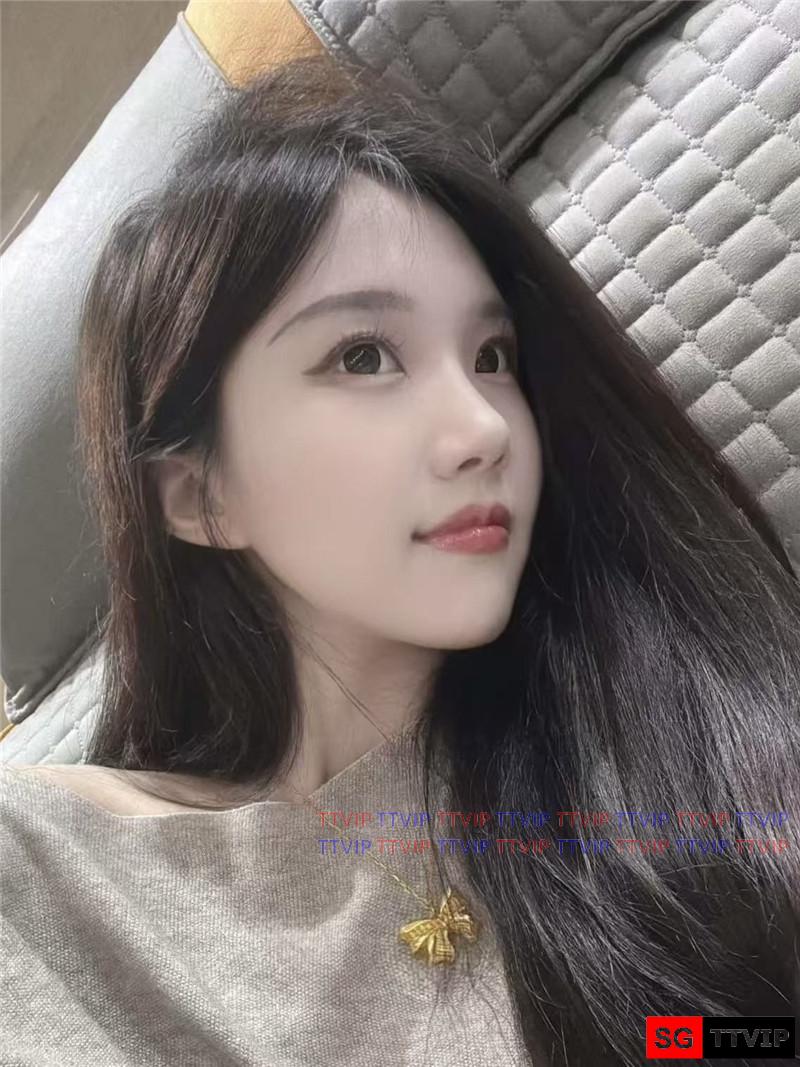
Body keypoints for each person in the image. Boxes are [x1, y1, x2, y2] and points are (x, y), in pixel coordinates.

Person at [2, 52, 798, 1067]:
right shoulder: (49, 874)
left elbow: (733, 1039)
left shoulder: (654, 737)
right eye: (363, 356)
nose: (484, 428)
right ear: (201, 495)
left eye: (492, 357)